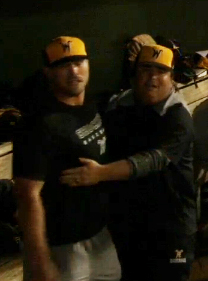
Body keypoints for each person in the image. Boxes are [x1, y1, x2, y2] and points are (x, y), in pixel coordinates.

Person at [60, 44, 197, 281]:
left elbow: (154, 160)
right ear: (134, 73)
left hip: (171, 228)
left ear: (171, 77)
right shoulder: (118, 106)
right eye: (146, 69)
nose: (152, 78)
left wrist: (99, 174)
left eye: (161, 71)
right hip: (130, 226)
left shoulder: (177, 116)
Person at [13, 36, 121, 281]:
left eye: (78, 61)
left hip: (100, 238)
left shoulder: (90, 105)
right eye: (63, 65)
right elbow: (27, 195)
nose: (74, 70)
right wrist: (40, 261)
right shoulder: (38, 125)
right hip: (61, 248)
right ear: (48, 72)